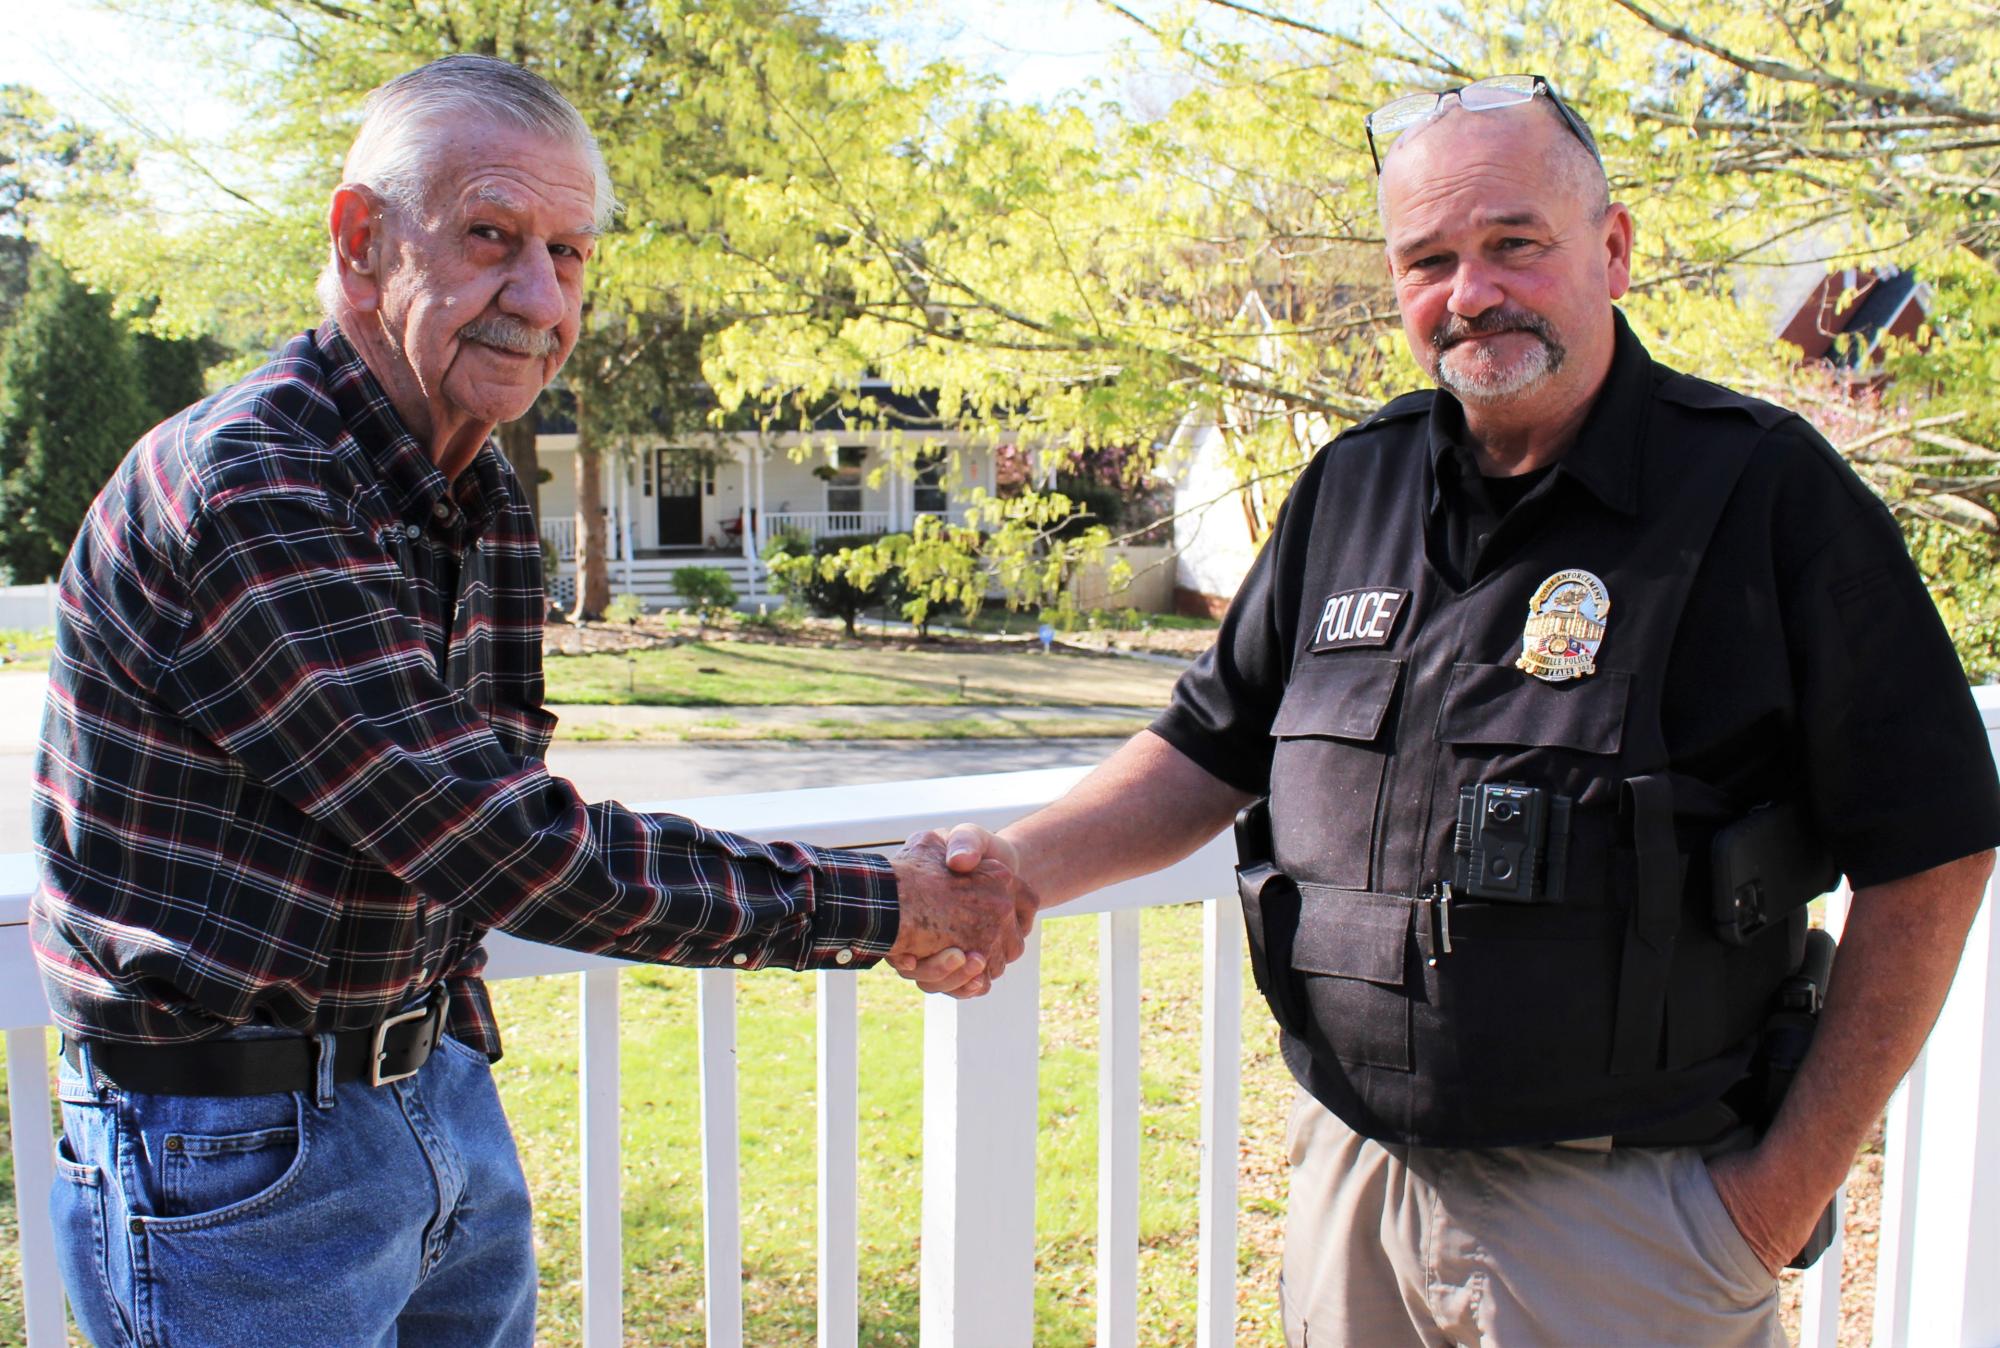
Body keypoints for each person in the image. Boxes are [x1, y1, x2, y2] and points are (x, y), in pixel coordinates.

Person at [927, 75, 2000, 1345]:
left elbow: (1932, 851)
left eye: (1511, 244)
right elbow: (1202, 751)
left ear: (1610, 248)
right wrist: (1012, 870)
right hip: (1354, 1185)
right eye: (1426, 259)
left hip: (1624, 1222)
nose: (1469, 292)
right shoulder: (1350, 488)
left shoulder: (1764, 496)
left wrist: (1771, 1203)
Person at [33, 55, 1020, 1348]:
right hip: (230, 1156)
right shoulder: (253, 487)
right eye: (492, 237)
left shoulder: (481, 495)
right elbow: (493, 838)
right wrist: (881, 905)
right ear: (361, 238)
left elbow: (482, 825)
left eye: (570, 253)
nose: (541, 297)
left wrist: (448, 1056)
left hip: (425, 1094)